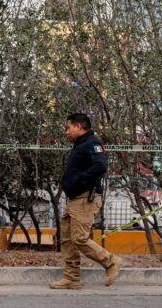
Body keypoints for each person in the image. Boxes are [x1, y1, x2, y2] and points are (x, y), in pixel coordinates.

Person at [49, 112, 122, 290]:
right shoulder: (80, 144)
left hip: (85, 199)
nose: (67, 132)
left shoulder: (92, 143)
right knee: (67, 239)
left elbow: (101, 166)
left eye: (68, 127)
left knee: (80, 239)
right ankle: (72, 278)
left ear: (78, 126)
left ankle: (111, 262)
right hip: (75, 200)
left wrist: (79, 179)